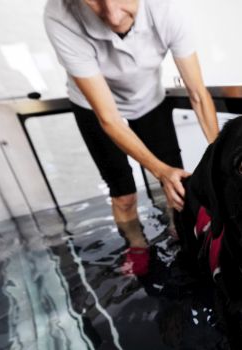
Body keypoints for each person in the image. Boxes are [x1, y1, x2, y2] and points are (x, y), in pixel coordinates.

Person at [43, 0, 219, 272]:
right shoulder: (61, 15)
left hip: (149, 99)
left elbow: (197, 93)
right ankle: (137, 248)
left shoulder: (166, 10)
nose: (112, 15)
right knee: (123, 194)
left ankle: (179, 235)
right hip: (94, 107)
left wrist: (219, 159)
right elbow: (110, 119)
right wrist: (159, 170)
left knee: (177, 182)